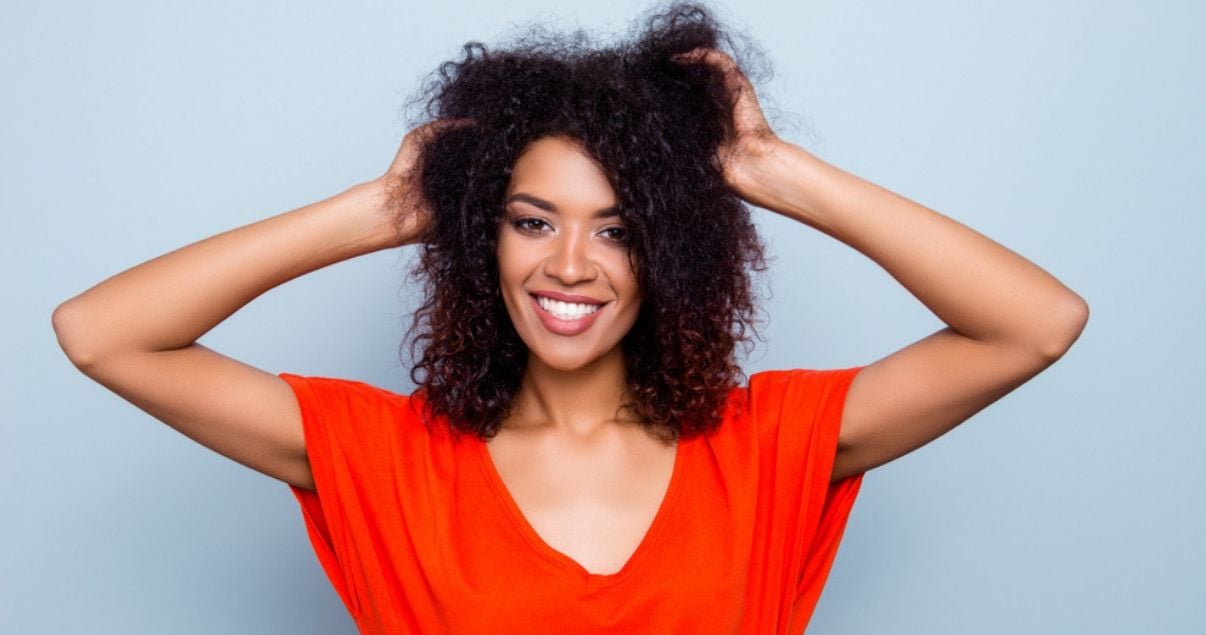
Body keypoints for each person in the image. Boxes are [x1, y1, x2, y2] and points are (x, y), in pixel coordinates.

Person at [51, 2, 1088, 633]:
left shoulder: (766, 447)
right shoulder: (388, 457)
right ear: (482, 237)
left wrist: (771, 169)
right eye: (531, 220)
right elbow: (102, 332)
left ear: (671, 250)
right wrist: (380, 211)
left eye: (620, 228)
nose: (571, 264)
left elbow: (1035, 321)